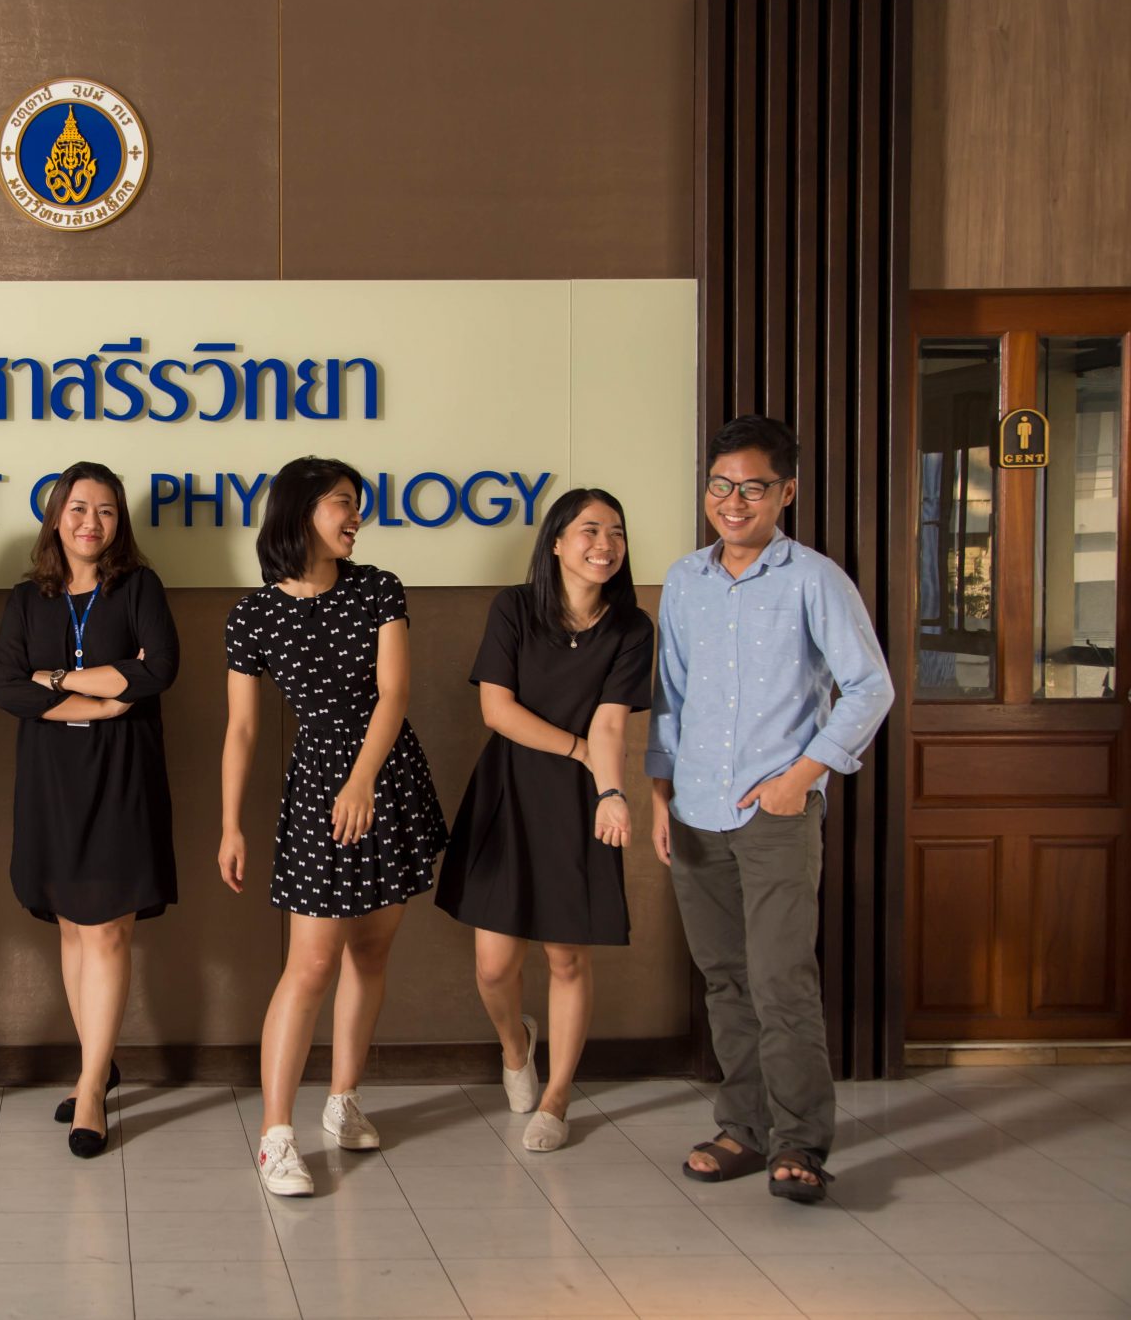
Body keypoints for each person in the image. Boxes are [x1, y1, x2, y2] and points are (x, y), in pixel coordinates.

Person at [648, 415, 893, 1204]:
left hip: (775, 813)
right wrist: (660, 792)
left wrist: (805, 774)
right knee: (725, 978)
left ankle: (800, 1143)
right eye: (720, 485)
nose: (733, 501)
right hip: (694, 809)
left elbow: (871, 686)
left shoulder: (814, 579)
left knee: (781, 977)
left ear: (786, 492)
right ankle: (745, 1129)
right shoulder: (685, 580)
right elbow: (670, 695)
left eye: (752, 487)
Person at [219, 456, 448, 1198]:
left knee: (372, 950)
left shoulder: (378, 587)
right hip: (318, 786)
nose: (356, 517)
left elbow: (394, 693)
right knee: (311, 963)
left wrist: (364, 780)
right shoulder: (253, 614)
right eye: (343, 503)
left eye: (357, 504)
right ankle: (275, 1136)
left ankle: (344, 1100)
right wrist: (230, 824)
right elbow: (242, 730)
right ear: (300, 511)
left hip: (385, 775)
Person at [436, 488, 654, 1153]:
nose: (604, 544)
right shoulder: (515, 607)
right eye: (589, 530)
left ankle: (557, 1096)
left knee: (567, 955)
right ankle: (515, 1045)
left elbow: (611, 723)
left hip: (579, 798)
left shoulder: (632, 627)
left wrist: (611, 790)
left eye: (615, 531)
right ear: (556, 542)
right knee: (494, 965)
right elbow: (497, 711)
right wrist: (579, 751)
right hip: (509, 789)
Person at [0, 462, 179, 1160]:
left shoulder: (139, 587)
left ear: (118, 521)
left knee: (106, 932)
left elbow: (158, 670)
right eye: (77, 508)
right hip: (51, 779)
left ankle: (93, 1087)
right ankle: (94, 1063)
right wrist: (101, 698)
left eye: (105, 510)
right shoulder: (26, 598)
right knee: (72, 927)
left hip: (121, 774)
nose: (90, 522)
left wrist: (58, 678)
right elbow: (7, 687)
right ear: (56, 516)